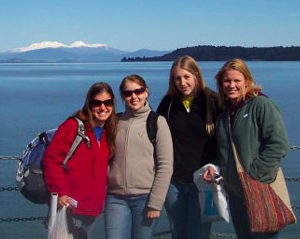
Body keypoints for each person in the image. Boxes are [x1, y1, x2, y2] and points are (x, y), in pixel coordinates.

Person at [203, 59, 290, 239]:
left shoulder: (261, 105)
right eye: (227, 81)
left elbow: (278, 144)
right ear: (220, 83)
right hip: (236, 194)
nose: (232, 85)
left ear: (247, 81)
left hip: (259, 189)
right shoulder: (225, 112)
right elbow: (225, 150)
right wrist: (215, 167)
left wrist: (255, 173)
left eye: (237, 81)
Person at [43, 82, 118, 239]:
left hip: (91, 208)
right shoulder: (73, 127)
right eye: (97, 103)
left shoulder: (107, 132)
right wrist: (60, 193)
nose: (103, 108)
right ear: (89, 104)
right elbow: (51, 160)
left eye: (108, 102)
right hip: (69, 205)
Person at [156, 55, 219, 239]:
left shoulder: (212, 101)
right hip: (174, 183)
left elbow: (224, 141)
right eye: (177, 78)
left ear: (196, 75)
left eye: (186, 77)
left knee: (199, 234)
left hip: (205, 183)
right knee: (179, 233)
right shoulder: (168, 104)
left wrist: (217, 167)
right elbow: (155, 136)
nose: (182, 82)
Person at [105, 74, 173, 239]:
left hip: (145, 198)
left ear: (146, 92)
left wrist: (155, 204)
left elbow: (165, 166)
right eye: (128, 93)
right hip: (115, 197)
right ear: (122, 96)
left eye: (138, 91)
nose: (134, 96)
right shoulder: (114, 122)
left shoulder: (157, 122)